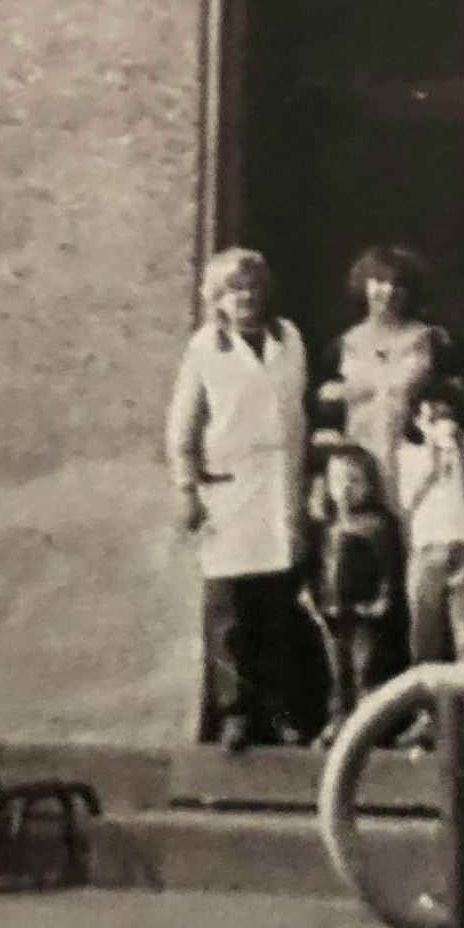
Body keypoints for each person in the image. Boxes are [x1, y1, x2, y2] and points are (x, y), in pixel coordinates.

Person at [166, 248, 310, 753]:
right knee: (229, 615)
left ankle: (280, 713)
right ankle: (235, 714)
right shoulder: (206, 348)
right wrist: (187, 489)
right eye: (232, 290)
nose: (244, 297)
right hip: (228, 491)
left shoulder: (289, 339)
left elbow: (298, 413)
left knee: (277, 609)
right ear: (217, 300)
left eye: (251, 287)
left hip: (280, 488)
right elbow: (182, 428)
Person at [393, 378, 464, 749]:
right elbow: (407, 501)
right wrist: (433, 457)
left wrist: (457, 450)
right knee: (425, 631)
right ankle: (426, 716)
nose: (436, 422)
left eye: (443, 414)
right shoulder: (408, 453)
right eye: (427, 416)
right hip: (428, 544)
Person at [316, 246, 450, 518]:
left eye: (397, 284)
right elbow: (320, 401)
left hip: (416, 457)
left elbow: (452, 398)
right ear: (364, 286)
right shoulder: (344, 343)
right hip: (359, 463)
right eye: (379, 282)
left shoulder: (430, 340)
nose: (388, 292)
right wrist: (335, 396)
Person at [298, 443, 404, 750]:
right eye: (338, 481)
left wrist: (384, 598)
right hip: (331, 610)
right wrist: (308, 592)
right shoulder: (325, 527)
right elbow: (315, 563)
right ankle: (339, 723)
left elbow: (389, 566)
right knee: (337, 670)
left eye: (354, 481)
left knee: (366, 668)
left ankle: (370, 728)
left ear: (370, 485)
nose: (345, 489)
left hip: (364, 611)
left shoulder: (378, 526)